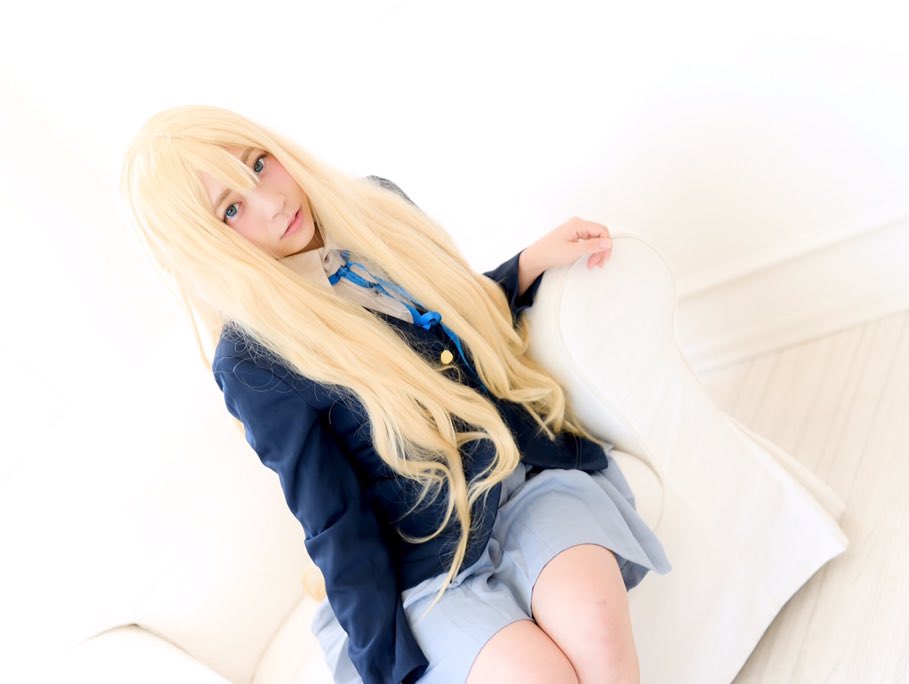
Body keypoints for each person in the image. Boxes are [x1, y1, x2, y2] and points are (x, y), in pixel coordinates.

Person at [120, 104, 672, 684]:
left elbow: (446, 323)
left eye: (258, 164)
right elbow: (334, 518)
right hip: (427, 570)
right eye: (231, 209)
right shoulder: (252, 359)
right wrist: (383, 664)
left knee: (596, 621)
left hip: (517, 482)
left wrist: (527, 266)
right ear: (208, 245)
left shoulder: (376, 207)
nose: (271, 202)